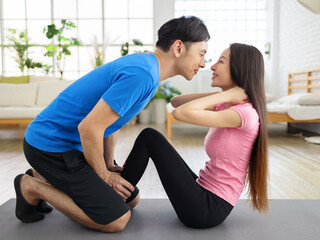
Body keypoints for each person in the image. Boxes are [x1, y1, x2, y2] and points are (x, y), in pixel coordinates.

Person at [14, 16, 210, 232]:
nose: (203, 63)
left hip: (75, 144)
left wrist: (107, 163)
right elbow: (89, 128)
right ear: (179, 47)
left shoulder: (149, 72)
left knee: (129, 198)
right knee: (116, 220)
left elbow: (111, 122)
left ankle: (44, 176)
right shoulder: (142, 74)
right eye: (201, 53)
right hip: (49, 145)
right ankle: (31, 186)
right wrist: (104, 176)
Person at [120, 43, 269, 228]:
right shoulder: (228, 105)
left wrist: (225, 95)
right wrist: (228, 94)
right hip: (203, 190)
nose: (212, 66)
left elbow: (180, 113)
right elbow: (176, 102)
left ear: (239, 68)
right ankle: (123, 191)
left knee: (149, 137)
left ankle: (117, 198)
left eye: (221, 62)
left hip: (208, 209)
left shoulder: (244, 114)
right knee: (150, 137)